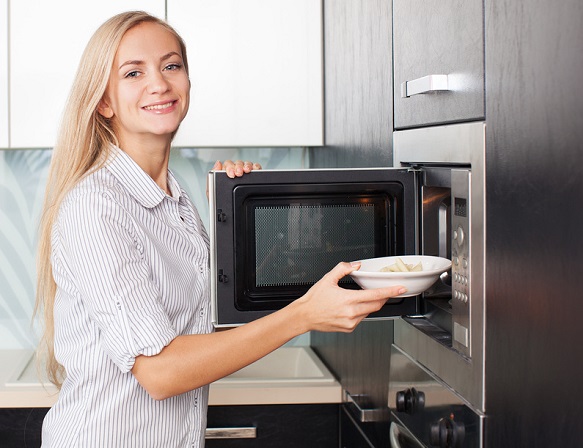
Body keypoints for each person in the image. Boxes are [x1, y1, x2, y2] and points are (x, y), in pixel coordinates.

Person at [34, 10, 406, 447]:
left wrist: (238, 219)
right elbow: (161, 371)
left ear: (188, 82)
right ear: (104, 101)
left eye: (171, 66)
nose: (159, 83)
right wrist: (304, 314)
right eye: (133, 73)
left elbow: (210, 328)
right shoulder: (96, 206)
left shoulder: (177, 199)